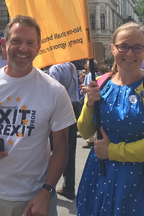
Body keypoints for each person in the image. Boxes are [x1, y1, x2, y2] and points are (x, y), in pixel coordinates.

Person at [0, 15, 75, 216]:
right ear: (4, 44)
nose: (23, 48)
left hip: (36, 197)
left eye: (30, 43)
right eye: (16, 41)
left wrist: (46, 191)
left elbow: (61, 149)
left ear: (38, 48)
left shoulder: (54, 91)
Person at [76, 22, 144, 215]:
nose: (130, 53)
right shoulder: (101, 82)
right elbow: (84, 131)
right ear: (113, 48)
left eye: (137, 48)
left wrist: (113, 151)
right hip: (99, 175)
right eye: (123, 46)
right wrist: (90, 104)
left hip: (143, 183)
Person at [48, 62, 81, 200]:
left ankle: (47, 187)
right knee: (69, 149)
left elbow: (53, 90)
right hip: (74, 105)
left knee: (50, 148)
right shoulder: (72, 66)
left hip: (60, 108)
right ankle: (69, 187)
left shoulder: (54, 68)